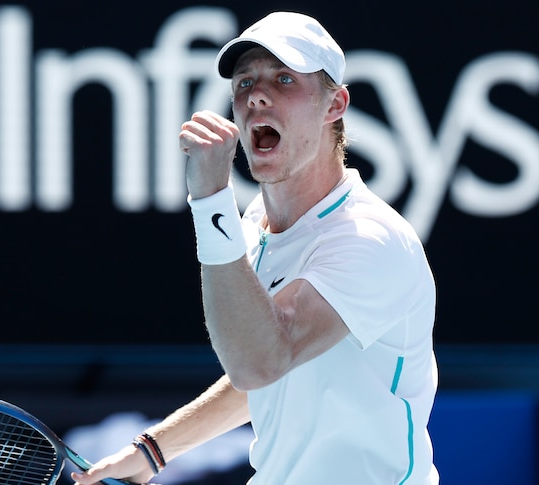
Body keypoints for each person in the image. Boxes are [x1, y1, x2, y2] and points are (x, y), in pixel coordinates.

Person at [72, 11, 439, 485]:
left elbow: (262, 361)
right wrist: (154, 450)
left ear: (335, 104)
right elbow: (267, 372)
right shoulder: (252, 225)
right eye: (245, 82)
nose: (257, 95)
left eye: (284, 78)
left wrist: (209, 200)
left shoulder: (370, 238)